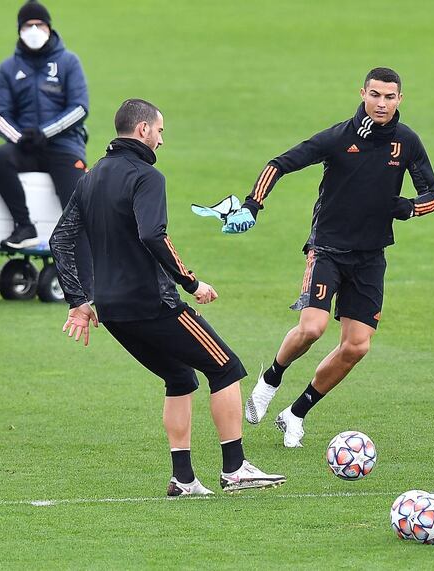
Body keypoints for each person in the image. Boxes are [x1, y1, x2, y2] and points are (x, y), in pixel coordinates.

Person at [49, 99, 285, 496]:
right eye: (160, 131)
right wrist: (191, 283)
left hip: (112, 311)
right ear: (142, 130)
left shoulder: (90, 178)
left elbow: (60, 239)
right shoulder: (146, 177)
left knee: (178, 377)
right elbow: (152, 234)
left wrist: (78, 300)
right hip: (153, 303)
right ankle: (235, 468)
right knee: (226, 368)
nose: (162, 140)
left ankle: (184, 478)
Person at [235, 67, 434, 448]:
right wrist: (253, 203)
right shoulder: (339, 136)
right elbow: (279, 164)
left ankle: (295, 413)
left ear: (400, 99)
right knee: (312, 328)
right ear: (362, 93)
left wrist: (410, 207)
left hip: (370, 255)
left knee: (357, 345)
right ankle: (271, 379)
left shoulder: (406, 142)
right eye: (375, 95)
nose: (382, 103)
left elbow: (433, 194)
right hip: (327, 248)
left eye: (390, 97)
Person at [0, 2, 88, 251]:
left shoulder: (68, 62)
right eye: (28, 25)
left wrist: (45, 132)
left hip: (64, 147)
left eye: (39, 24)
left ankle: (86, 269)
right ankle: (24, 227)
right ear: (20, 30)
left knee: (77, 206)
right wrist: (20, 138)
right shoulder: (8, 68)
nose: (34, 30)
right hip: (25, 147)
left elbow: (79, 108)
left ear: (49, 27)